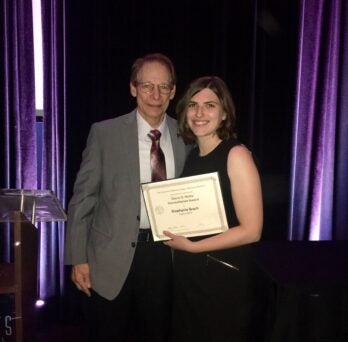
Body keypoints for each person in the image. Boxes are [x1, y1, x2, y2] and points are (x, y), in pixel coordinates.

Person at [64, 53, 187, 342]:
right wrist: (78, 258)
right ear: (133, 88)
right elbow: (83, 198)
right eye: (147, 86)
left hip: (165, 255)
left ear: (173, 90)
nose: (155, 95)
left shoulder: (186, 135)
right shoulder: (104, 133)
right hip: (109, 257)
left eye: (164, 86)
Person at [163, 76, 263, 342]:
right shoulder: (192, 156)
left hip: (222, 277)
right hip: (190, 274)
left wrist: (193, 247)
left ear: (224, 114)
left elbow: (252, 231)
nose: (199, 113)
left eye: (210, 105)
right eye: (193, 105)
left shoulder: (236, 154)